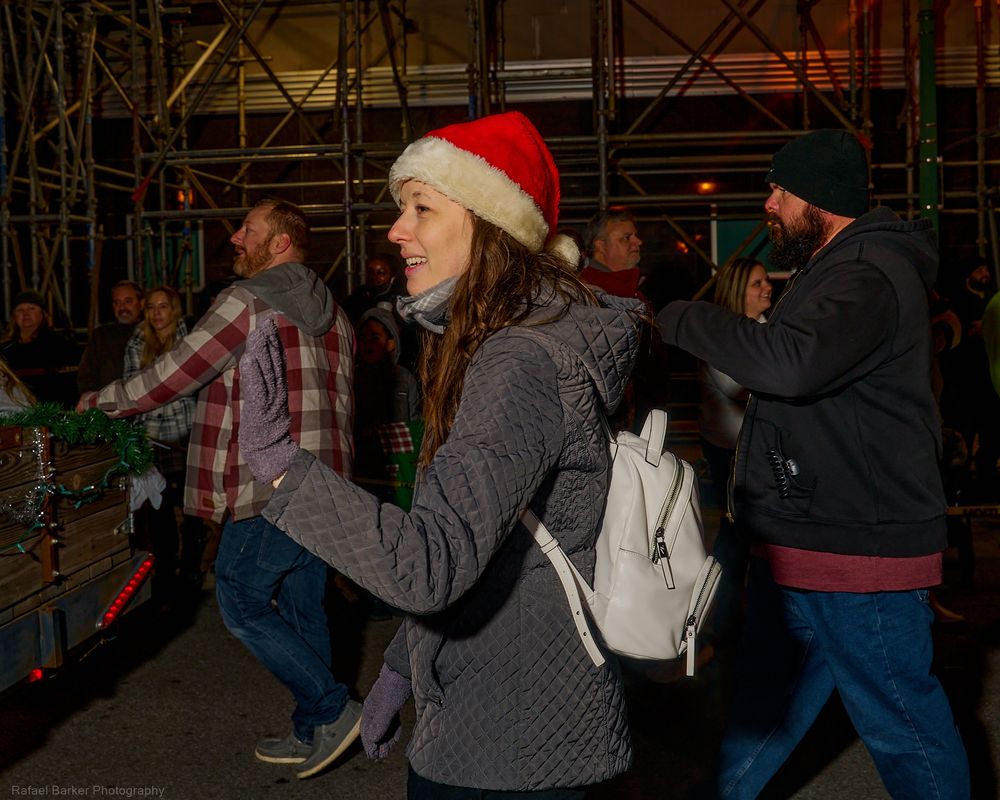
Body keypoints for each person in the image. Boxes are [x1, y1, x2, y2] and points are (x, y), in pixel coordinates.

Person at [236, 111, 638, 797]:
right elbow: (485, 548)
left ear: (490, 225)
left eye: (421, 206)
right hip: (507, 711)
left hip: (514, 740)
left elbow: (431, 564)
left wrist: (281, 466)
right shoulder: (506, 340)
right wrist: (401, 667)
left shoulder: (519, 360)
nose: (397, 230)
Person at [657, 129, 969, 799]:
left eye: (780, 192)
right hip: (804, 543)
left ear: (820, 199)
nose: (769, 204)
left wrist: (681, 318)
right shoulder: (835, 269)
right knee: (764, 714)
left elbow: (790, 365)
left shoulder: (869, 274)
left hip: (860, 555)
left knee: (905, 731)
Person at [77, 199, 358, 780]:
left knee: (240, 597)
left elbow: (176, 371)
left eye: (248, 230)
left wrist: (103, 401)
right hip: (326, 483)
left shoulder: (247, 301)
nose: (235, 237)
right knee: (303, 606)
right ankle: (314, 726)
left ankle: (333, 709)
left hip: (271, 481)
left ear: (280, 243)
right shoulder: (335, 313)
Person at [697, 257, 771, 649]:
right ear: (737, 290)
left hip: (756, 451)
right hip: (730, 453)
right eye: (757, 283)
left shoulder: (765, 330)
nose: (767, 287)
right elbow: (737, 387)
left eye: (766, 280)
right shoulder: (721, 333)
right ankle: (721, 627)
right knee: (735, 541)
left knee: (752, 541)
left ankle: (741, 624)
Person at [123, 285, 199, 595]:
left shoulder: (189, 339)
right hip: (151, 437)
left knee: (192, 510)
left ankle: (192, 568)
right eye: (151, 307)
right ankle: (166, 572)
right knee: (159, 511)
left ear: (174, 309)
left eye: (163, 306)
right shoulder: (137, 342)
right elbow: (132, 387)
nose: (157, 313)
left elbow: (190, 382)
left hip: (184, 432)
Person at [352, 305, 421, 507]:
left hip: (399, 466)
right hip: (366, 468)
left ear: (391, 343)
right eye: (362, 338)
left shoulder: (404, 378)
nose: (367, 344)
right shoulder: (354, 377)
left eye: (375, 337)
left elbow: (415, 421)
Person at [0, 289, 80, 405]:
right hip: (14, 405)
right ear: (14, 316)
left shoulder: (60, 345)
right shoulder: (5, 350)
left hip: (52, 406)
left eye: (32, 308)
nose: (25, 313)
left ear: (43, 314)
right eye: (20, 310)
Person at [78, 280, 144, 393]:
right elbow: (86, 377)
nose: (122, 307)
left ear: (141, 304)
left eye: (128, 301)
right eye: (117, 302)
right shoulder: (101, 336)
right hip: (107, 401)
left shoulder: (151, 332)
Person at [341, 253, 404, 324]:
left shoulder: (400, 299)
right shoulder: (359, 293)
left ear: (393, 276)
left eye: (381, 273)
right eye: (371, 272)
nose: (374, 277)